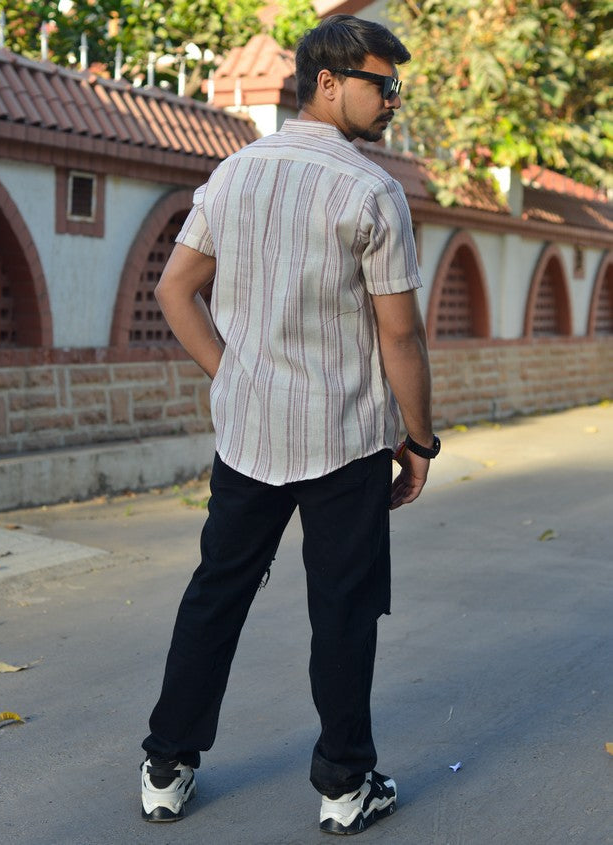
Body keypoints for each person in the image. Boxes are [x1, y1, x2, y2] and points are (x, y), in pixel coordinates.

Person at [140, 13, 440, 837]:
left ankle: (166, 763)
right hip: (343, 437)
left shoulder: (233, 172)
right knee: (342, 610)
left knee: (216, 594)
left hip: (249, 433)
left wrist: (231, 372)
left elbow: (175, 290)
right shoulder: (370, 191)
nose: (392, 100)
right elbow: (401, 335)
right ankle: (345, 785)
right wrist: (419, 439)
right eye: (383, 84)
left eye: (394, 86)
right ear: (330, 82)